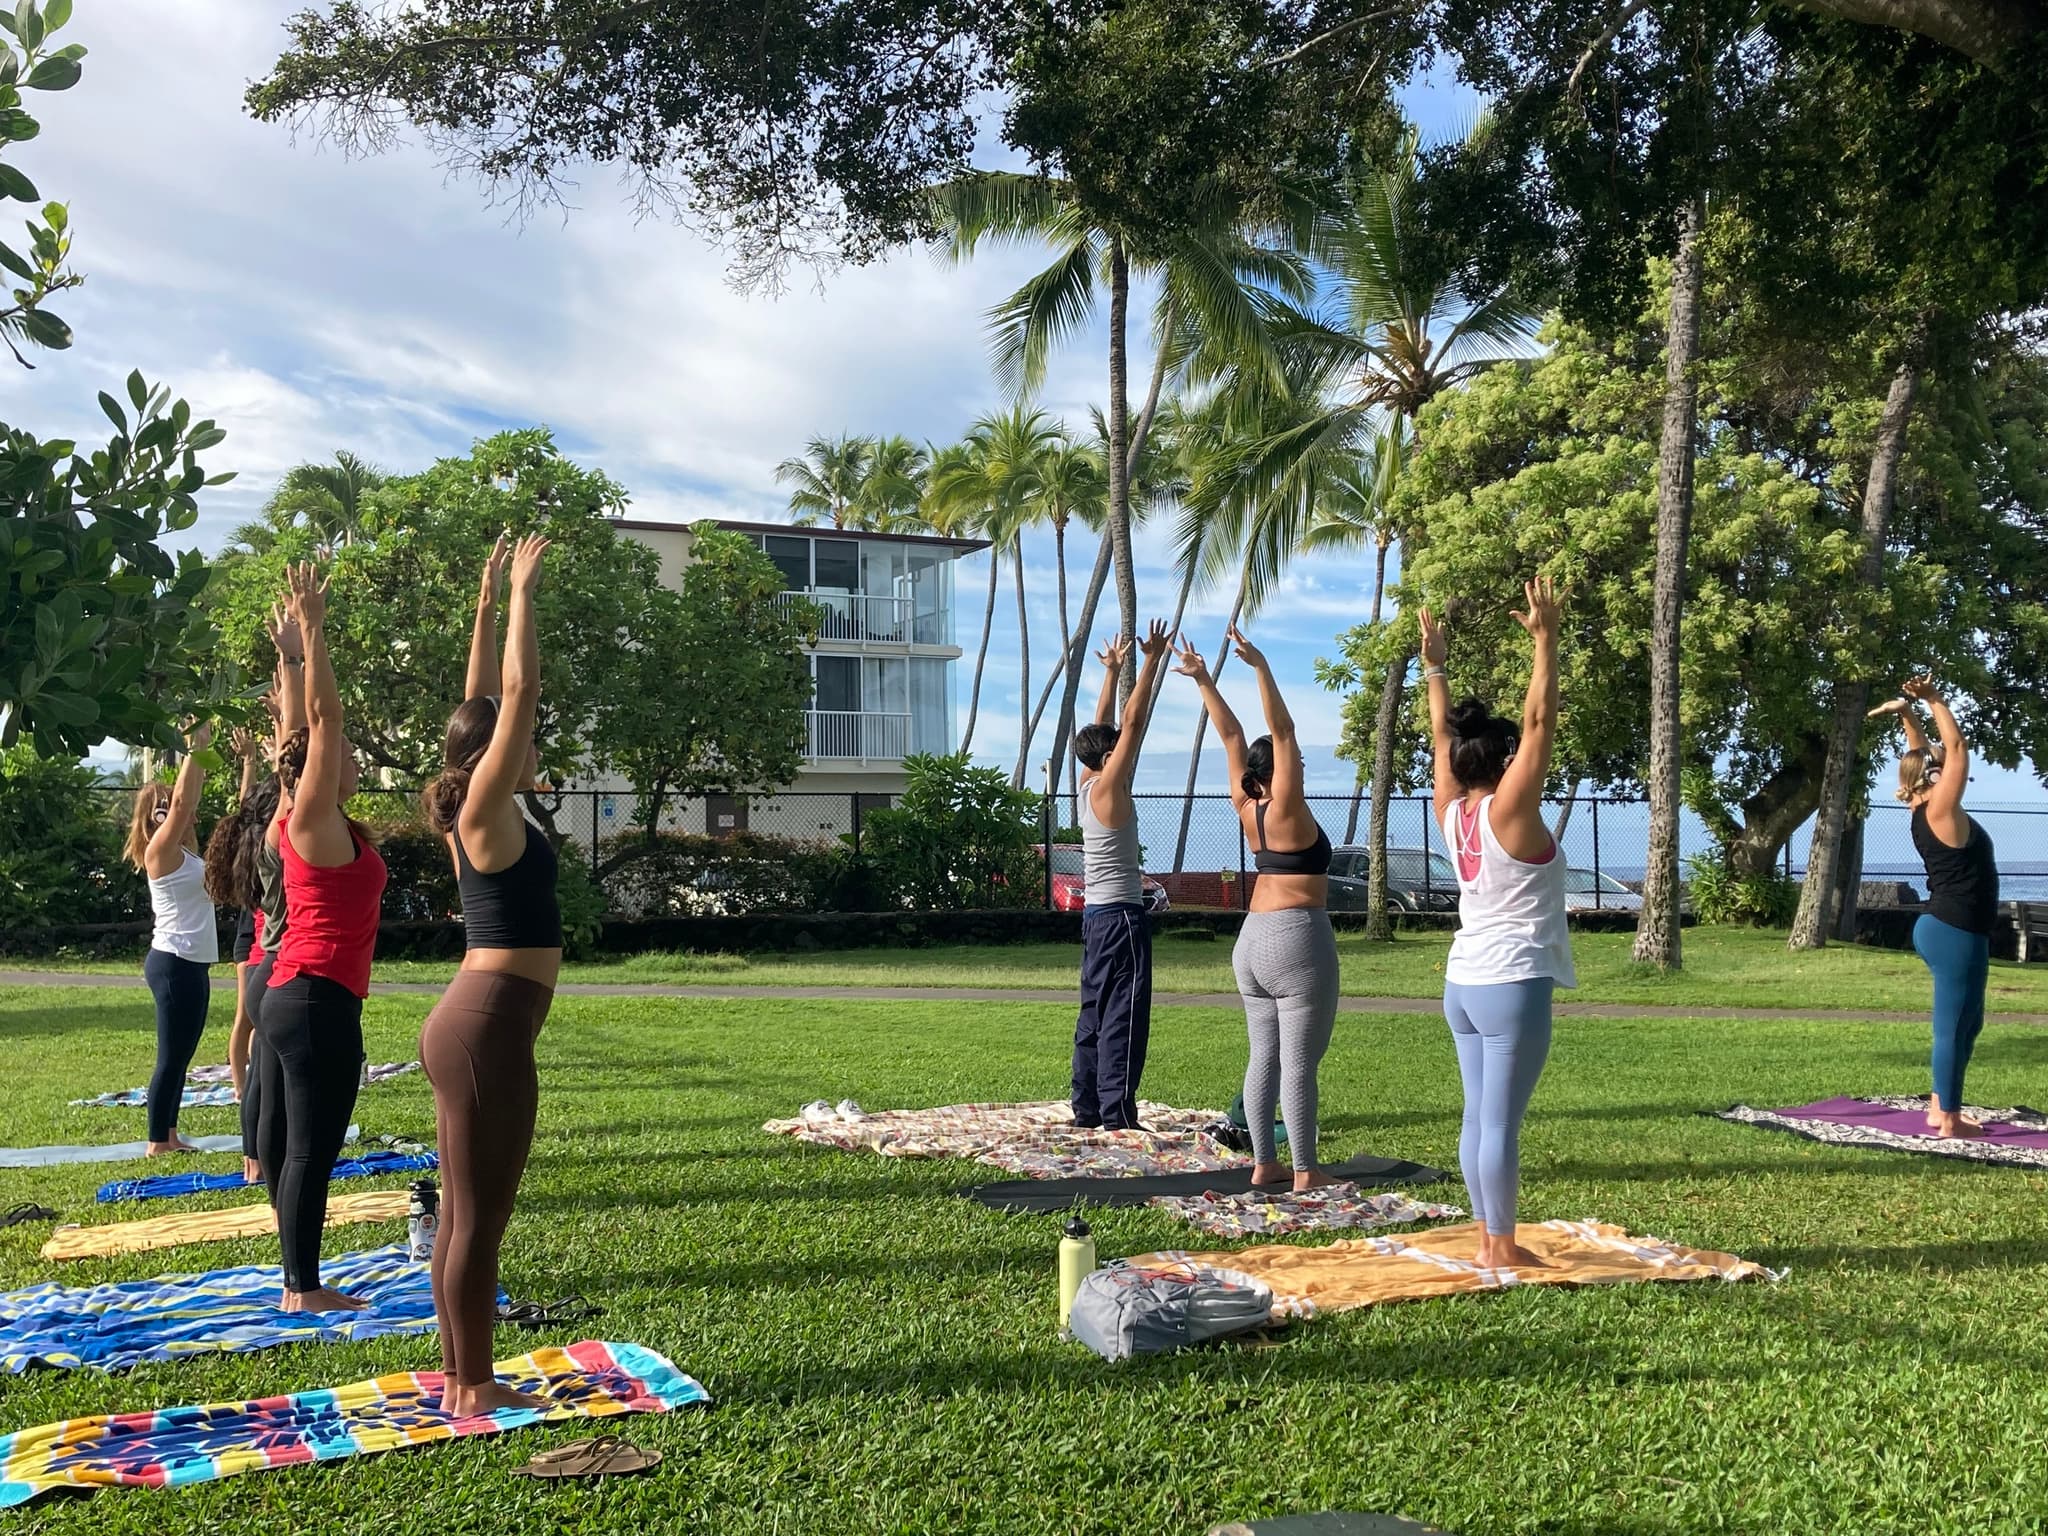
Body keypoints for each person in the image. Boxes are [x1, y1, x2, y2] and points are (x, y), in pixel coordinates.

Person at [418, 532, 561, 1416]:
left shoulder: (469, 802)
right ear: (491, 756)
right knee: (479, 1218)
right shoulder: (483, 810)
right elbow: (513, 692)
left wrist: (479, 609)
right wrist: (519, 594)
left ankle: (456, 1370)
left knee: (465, 1213)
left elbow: (477, 701)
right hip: (487, 1026)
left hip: (479, 1022)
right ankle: (473, 1385)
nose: (530, 740)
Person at [1421, 577, 1574, 1271]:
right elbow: (1540, 723)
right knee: (1500, 1124)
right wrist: (1546, 641)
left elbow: (1438, 738)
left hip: (1463, 982)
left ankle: (1490, 1235)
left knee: (1479, 1116)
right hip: (1512, 980)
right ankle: (1502, 1247)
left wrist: (1436, 669)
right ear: (1505, 761)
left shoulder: (1451, 810)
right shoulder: (1510, 808)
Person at [260, 562, 388, 1312]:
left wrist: (291, 660)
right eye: (342, 754)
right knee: (313, 1148)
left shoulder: (302, 809)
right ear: (319, 768)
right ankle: (302, 1289)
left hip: (301, 993)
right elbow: (321, 727)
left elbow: (295, 734)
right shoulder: (309, 816)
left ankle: (297, 1274)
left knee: (302, 1145)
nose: (352, 760)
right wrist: (314, 629)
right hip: (313, 999)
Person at [1173, 624, 1339, 1190]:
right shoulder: (1288, 803)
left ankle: (1263, 1162)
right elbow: (1280, 728)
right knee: (1298, 1064)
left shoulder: (1248, 805)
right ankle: (1305, 1170)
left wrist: (1202, 680)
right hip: (1296, 937)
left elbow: (1230, 735)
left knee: (1262, 1056)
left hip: (1251, 942)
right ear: (1280, 772)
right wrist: (1262, 666)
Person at [1870, 677, 1999, 1137]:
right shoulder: (1942, 810)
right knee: (1952, 1027)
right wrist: (1935, 700)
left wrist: (1907, 715)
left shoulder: (1922, 806)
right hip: (1955, 930)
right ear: (1932, 777)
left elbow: (1929, 755)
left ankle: (1941, 1106)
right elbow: (1958, 748)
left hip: (1948, 928)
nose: (1950, 768)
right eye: (1940, 767)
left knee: (1968, 1022)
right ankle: (1947, 1120)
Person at [1069, 619, 1172, 1131]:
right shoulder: (1107, 787)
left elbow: (1104, 728)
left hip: (1094, 918)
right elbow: (1129, 726)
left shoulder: (1088, 784)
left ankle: (1086, 1108)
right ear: (1108, 758)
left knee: (1093, 1011)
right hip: (1122, 921)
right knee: (1123, 1016)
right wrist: (1149, 661)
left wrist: (1110, 673)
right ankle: (1117, 1116)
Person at [123, 721, 218, 1156]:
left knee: (181, 1058)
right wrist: (194, 748)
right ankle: (156, 1141)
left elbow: (189, 801)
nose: (175, 810)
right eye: (162, 808)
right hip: (174, 961)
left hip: (192, 962)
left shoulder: (184, 852)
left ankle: (170, 1134)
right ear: (153, 817)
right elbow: (182, 801)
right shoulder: (159, 850)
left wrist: (201, 756)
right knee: (170, 1057)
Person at [202, 726, 270, 1166]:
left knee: (261, 1032)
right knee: (246, 1019)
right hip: (255, 942)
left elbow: (249, 808)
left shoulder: (267, 839)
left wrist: (249, 761)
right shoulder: (256, 848)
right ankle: (242, 1087)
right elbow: (247, 810)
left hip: (266, 940)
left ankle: (252, 1099)